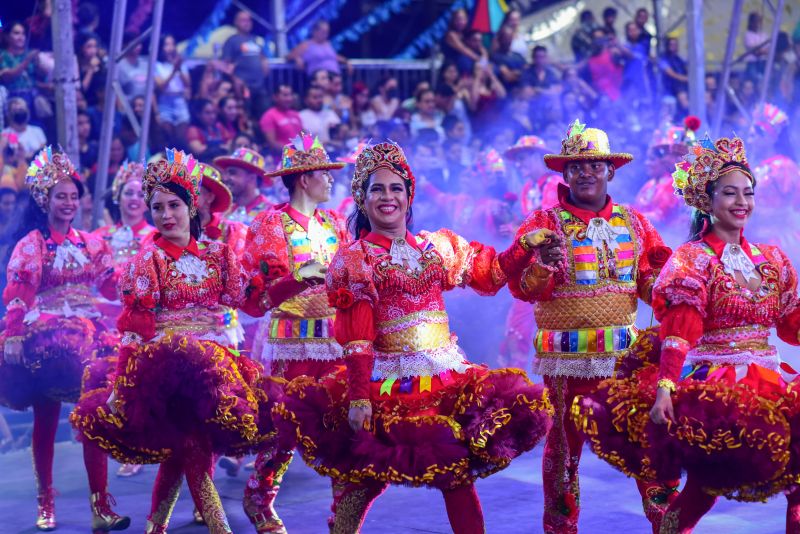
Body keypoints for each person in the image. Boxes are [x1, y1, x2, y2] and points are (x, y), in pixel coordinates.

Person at [274, 140, 553, 533]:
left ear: (409, 196)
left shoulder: (436, 246)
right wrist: (357, 398)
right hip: (386, 385)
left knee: (456, 476)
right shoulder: (356, 259)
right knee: (363, 482)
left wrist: (524, 246)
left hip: (447, 376)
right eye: (377, 189)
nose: (387, 197)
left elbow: (490, 275)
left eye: (395, 188)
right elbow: (358, 338)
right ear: (363, 200)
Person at [573, 134, 800, 533]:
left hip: (769, 379)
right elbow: (679, 331)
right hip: (717, 383)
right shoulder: (692, 259)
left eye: (747, 192)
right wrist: (665, 388)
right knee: (704, 488)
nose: (741, 202)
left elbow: (791, 321)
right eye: (730, 193)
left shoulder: (773, 257)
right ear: (706, 201)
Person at [71, 149, 278, 534]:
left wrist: (292, 281)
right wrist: (122, 382)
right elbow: (135, 329)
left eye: (174, 206)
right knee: (193, 446)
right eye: (158, 208)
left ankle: (156, 526)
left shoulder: (220, 256)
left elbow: (250, 303)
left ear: (192, 207)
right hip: (167, 367)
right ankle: (220, 528)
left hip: (216, 365)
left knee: (186, 449)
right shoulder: (145, 262)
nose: (166, 215)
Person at [508, 121, 676, 534]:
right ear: (564, 174)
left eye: (595, 165)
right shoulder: (542, 223)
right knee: (564, 455)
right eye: (577, 166)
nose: (586, 173)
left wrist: (673, 295)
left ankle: (670, 526)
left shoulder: (634, 222)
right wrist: (543, 266)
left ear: (610, 172)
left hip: (624, 361)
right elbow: (524, 289)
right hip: (566, 365)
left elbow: (649, 280)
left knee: (647, 448)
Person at [0, 148, 128, 531]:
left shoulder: (91, 242)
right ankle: (46, 502)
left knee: (94, 412)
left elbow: (110, 284)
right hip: (47, 337)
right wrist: (13, 334)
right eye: (61, 196)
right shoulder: (31, 245)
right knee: (45, 418)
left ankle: (100, 505)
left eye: (74, 196)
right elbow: (19, 293)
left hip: (88, 332)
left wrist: (138, 277)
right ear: (45, 200)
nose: (70, 202)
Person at [240, 133, 350, 533]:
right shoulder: (271, 225)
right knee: (284, 426)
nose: (332, 180)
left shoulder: (336, 222)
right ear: (304, 179)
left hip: (336, 341)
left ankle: (344, 509)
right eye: (325, 173)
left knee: (340, 422)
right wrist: (296, 280)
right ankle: (259, 496)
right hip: (291, 341)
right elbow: (253, 299)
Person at [634, 119, 699, 234]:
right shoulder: (652, 184)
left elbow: (661, 218)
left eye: (667, 153)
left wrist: (631, 216)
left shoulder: (678, 184)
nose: (664, 159)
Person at [222, 10, 270, 117]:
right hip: (244, 86)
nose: (247, 23)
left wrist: (265, 64)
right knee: (246, 114)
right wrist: (235, 79)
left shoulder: (256, 40)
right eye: (243, 20)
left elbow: (262, 57)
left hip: (260, 85)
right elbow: (226, 63)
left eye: (249, 20)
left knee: (264, 114)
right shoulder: (232, 41)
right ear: (236, 23)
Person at [197, 162, 248, 257]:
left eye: (194, 190)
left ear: (210, 197)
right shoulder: (171, 227)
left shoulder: (232, 232)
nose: (186, 196)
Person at [213, 147, 273, 226]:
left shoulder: (271, 213)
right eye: (226, 173)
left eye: (232, 173)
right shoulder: (223, 211)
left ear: (252, 178)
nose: (225, 178)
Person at [0, 21, 46, 113]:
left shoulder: (31, 53)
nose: (21, 37)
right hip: (11, 98)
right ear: (7, 36)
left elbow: (42, 77)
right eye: (16, 33)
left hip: (33, 98)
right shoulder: (3, 55)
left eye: (23, 34)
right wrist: (27, 59)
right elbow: (8, 77)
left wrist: (39, 64)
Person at [155, 34, 191, 145]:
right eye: (167, 44)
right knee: (168, 135)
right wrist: (173, 71)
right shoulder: (157, 65)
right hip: (165, 100)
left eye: (172, 44)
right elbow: (161, 86)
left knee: (181, 138)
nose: (170, 48)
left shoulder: (180, 65)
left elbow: (188, 84)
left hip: (180, 99)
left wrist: (179, 68)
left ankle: (180, 160)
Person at [260, 85, 303, 156]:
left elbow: (302, 136)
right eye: (285, 95)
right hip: (281, 160)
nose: (289, 98)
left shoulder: (296, 114)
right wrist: (293, 153)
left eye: (290, 95)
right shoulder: (268, 116)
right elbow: (272, 144)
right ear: (275, 97)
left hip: (300, 158)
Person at [117, 31, 148, 102]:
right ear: (125, 45)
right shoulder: (119, 64)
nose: (138, 46)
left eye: (139, 43)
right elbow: (117, 91)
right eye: (135, 44)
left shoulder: (145, 63)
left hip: (144, 106)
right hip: (127, 106)